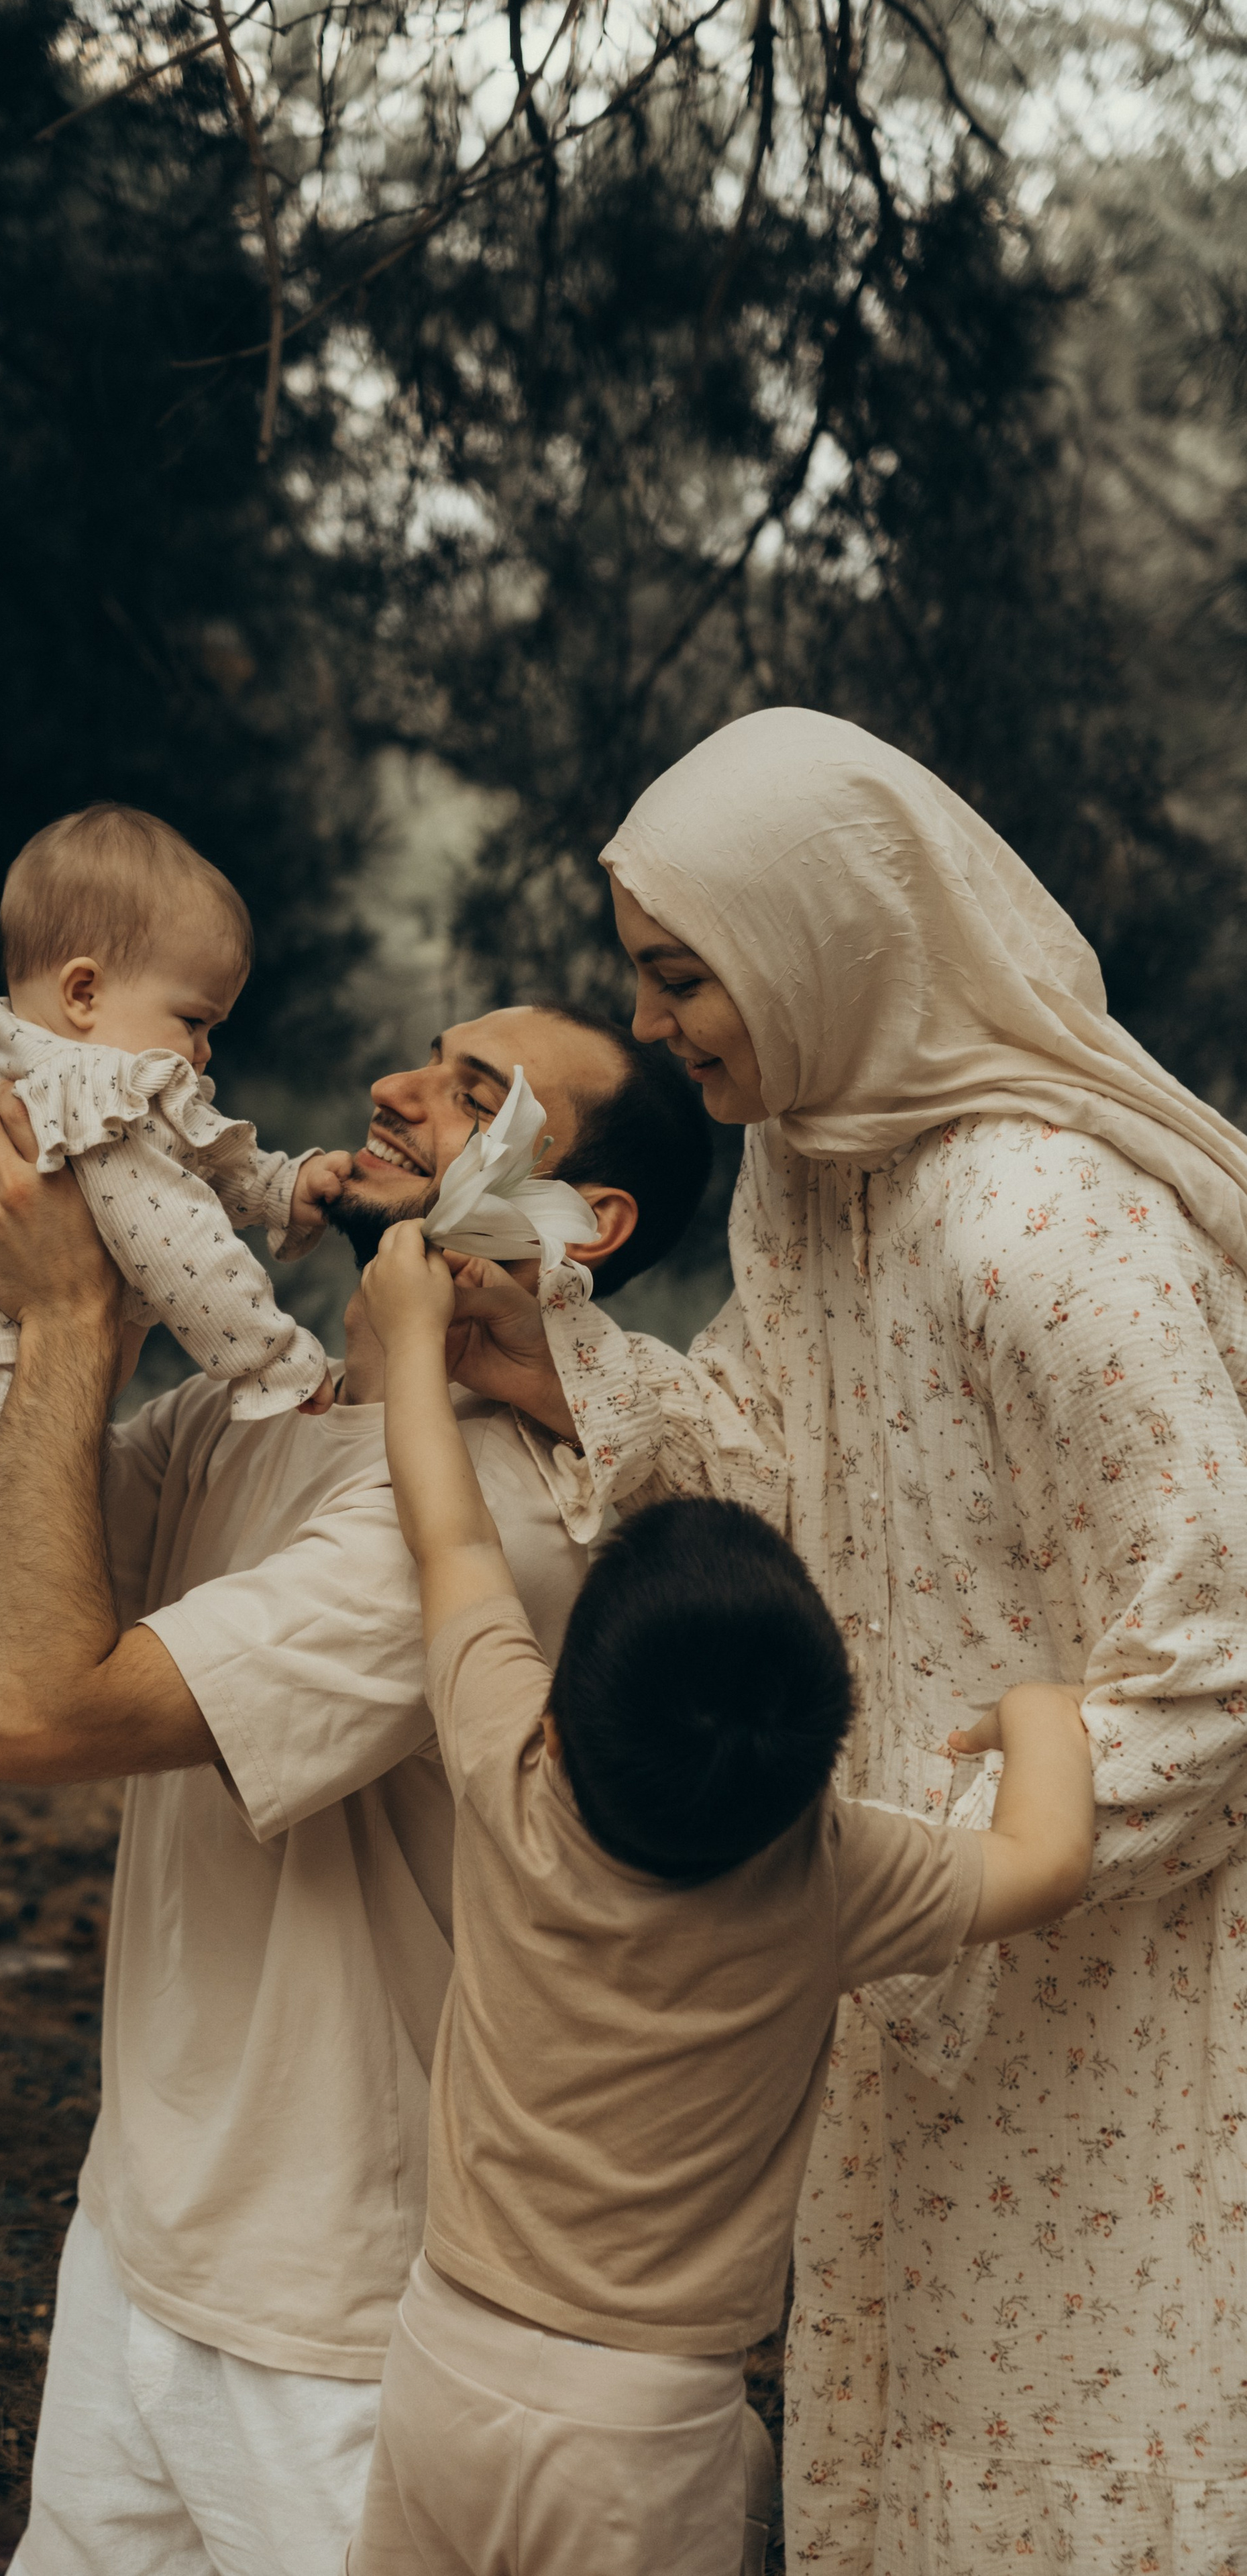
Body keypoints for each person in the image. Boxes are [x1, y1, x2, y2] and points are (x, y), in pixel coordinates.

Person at [437, 709, 1247, 2572]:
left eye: (678, 974)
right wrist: (557, 1374)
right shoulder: (821, 1162)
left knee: (1085, 2451)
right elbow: (777, 1452)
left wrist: (995, 1852)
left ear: (821, 941)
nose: (650, 1028)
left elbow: (1218, 1644)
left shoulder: (1043, 1222)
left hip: (1091, 1984)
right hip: (907, 1948)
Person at [0, 1004, 711, 2576]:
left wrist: (72, 1326)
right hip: (140, 2229)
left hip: (332, 2315)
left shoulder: (481, 1512)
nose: (393, 1091)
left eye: (473, 1093)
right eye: (428, 1061)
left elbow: (25, 1710)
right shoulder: (267, 1412)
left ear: (587, 1220)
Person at [341, 1215, 1095, 2576]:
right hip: (645, 2428)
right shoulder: (832, 1873)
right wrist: (1037, 1710)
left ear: (566, 1719)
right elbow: (1044, 1861)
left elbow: (446, 1537)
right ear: (814, 1762)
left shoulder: (515, 1777)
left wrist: (406, 1340)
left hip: (443, 2352)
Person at [0, 803, 350, 1959]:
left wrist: (291, 1188)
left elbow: (210, 1159)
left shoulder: (28, 1076)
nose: (205, 1054)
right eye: (195, 1020)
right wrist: (274, 1357)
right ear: (87, 993)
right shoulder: (88, 1109)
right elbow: (181, 1246)